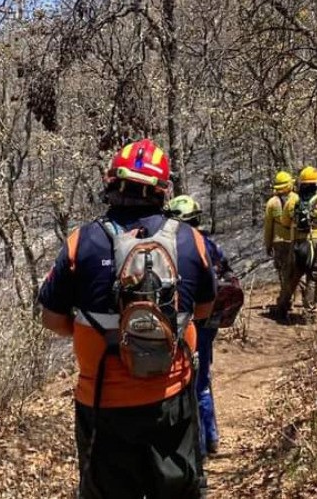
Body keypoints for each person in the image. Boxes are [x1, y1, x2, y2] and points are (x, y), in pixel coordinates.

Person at [39, 139, 216, 499]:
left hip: (102, 401)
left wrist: (102, 334)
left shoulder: (81, 242)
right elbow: (203, 311)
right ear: (162, 190)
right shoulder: (190, 241)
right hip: (172, 399)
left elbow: (52, 318)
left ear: (113, 182)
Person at [167, 194, 229, 458]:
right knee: (202, 380)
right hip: (208, 320)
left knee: (189, 384)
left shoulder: (176, 247)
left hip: (188, 324)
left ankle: (200, 448)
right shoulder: (209, 245)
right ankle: (211, 437)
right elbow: (225, 272)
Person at [278, 165, 317, 324]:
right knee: (313, 277)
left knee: (292, 276)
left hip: (298, 242)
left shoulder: (292, 201)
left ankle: (282, 307)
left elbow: (284, 221)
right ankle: (309, 314)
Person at [264, 171, 298, 322]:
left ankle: (285, 302)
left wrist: (268, 244)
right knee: (295, 272)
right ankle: (293, 299)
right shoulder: (296, 199)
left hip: (279, 242)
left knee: (283, 274)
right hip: (294, 240)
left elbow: (268, 226)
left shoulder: (272, 202)